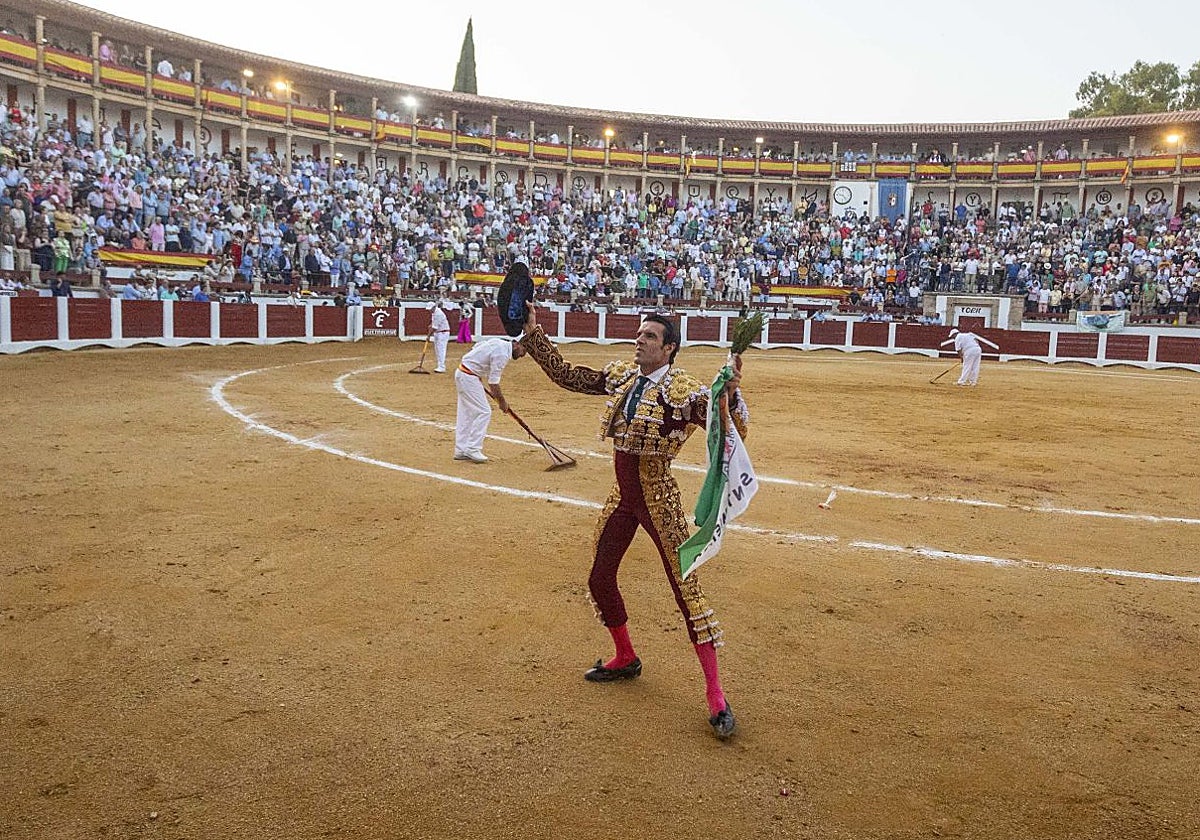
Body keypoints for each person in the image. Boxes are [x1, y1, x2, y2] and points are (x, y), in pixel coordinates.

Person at [518, 303, 747, 740]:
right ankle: (626, 657)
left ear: (669, 349)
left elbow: (729, 429)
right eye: (639, 334)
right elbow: (571, 376)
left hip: (658, 500)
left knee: (687, 591)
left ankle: (716, 696)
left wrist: (730, 394)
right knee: (600, 578)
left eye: (650, 337)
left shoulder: (684, 391)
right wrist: (534, 335)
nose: (639, 341)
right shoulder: (625, 376)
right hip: (624, 498)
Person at [453, 337, 526, 463]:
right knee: (484, 411)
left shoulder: (499, 342)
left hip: (464, 373)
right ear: (517, 344)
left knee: (467, 413)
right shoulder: (502, 353)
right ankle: (473, 448)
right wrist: (502, 402)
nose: (523, 355)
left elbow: (476, 347)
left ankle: (461, 449)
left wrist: (477, 370)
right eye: (524, 351)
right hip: (469, 377)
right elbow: (493, 383)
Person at [429, 299, 450, 373]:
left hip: (443, 333)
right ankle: (439, 365)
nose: (429, 310)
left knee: (441, 350)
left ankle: (442, 367)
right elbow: (433, 324)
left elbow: (434, 327)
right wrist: (431, 326)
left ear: (434, 307)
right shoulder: (434, 312)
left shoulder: (439, 314)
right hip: (438, 333)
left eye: (430, 309)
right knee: (437, 350)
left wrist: (428, 336)